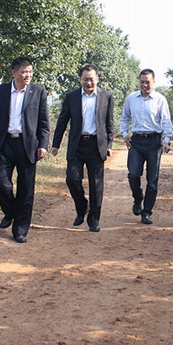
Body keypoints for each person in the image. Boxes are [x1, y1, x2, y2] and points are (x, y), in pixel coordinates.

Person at [0, 57, 49, 243]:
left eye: (30, 71)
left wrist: (43, 145)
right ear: (14, 73)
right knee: (1, 183)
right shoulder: (0, 92)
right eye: (23, 72)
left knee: (26, 189)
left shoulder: (38, 92)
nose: (27, 75)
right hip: (4, 143)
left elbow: (44, 123)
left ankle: (20, 229)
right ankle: (10, 211)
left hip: (28, 146)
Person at [51, 64, 114, 232]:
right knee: (72, 179)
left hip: (96, 146)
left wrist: (109, 144)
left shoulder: (106, 96)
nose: (89, 83)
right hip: (77, 145)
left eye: (92, 79)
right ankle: (82, 206)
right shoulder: (71, 97)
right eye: (85, 79)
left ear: (97, 79)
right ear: (80, 79)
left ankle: (94, 220)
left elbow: (109, 124)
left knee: (96, 185)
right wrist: (56, 144)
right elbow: (62, 121)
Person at [119, 69, 173, 225]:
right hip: (136, 141)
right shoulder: (131, 98)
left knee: (152, 179)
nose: (144, 85)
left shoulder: (160, 99)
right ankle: (138, 198)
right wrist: (124, 134)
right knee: (133, 174)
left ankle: (147, 212)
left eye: (147, 82)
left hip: (154, 142)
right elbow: (124, 118)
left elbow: (166, 120)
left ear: (153, 82)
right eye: (142, 81)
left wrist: (167, 139)